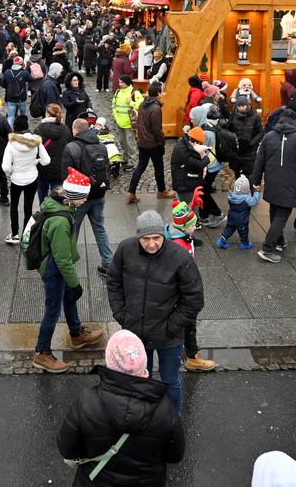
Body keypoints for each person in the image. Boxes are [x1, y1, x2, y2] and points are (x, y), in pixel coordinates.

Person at [56, 328, 185, 487]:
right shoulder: (165, 411)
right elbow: (174, 456)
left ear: (110, 361)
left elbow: (67, 448)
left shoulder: (86, 401)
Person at [106, 210, 204, 416]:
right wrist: (121, 314)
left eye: (156, 238)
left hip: (168, 336)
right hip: (136, 333)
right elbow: (113, 281)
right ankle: (147, 420)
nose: (151, 244)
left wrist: (171, 327)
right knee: (143, 381)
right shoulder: (126, 249)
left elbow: (194, 298)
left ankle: (172, 421)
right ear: (138, 237)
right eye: (145, 239)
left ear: (163, 235)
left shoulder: (180, 257)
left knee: (170, 381)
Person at [32, 168, 104, 372]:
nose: (86, 201)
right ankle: (41, 352)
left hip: (55, 266)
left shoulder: (60, 204)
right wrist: (76, 284)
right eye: (85, 197)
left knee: (68, 298)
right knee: (53, 311)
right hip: (53, 270)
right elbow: (62, 260)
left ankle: (76, 334)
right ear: (74, 197)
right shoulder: (61, 221)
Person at [251, 107, 296, 263]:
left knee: (275, 210)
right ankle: (267, 249)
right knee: (281, 215)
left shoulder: (269, 137)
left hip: (272, 182)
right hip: (290, 182)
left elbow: (259, 161)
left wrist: (255, 181)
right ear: (294, 122)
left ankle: (279, 241)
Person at [162, 202, 215, 373]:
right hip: (182, 293)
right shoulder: (179, 247)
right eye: (193, 225)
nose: (195, 227)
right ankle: (192, 358)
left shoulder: (181, 235)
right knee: (189, 324)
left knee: (185, 324)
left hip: (182, 289)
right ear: (184, 227)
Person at [64, 117, 113, 275]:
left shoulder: (71, 148)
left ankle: (68, 266)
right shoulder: (101, 145)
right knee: (100, 228)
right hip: (99, 194)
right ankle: (108, 263)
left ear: (75, 130)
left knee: (73, 230)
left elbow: (64, 175)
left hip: (79, 197)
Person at [3, 115, 50, 244]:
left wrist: (14, 169)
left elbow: (5, 167)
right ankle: (26, 235)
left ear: (15, 127)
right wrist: (35, 161)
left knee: (14, 206)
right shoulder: (36, 141)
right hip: (32, 178)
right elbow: (46, 161)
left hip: (16, 179)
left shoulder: (11, 143)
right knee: (28, 207)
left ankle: (14, 234)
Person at [129, 81, 174, 203]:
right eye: (162, 90)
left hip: (142, 142)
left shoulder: (143, 104)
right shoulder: (156, 108)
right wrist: (162, 141)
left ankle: (131, 192)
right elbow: (157, 129)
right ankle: (162, 191)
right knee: (158, 167)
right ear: (158, 93)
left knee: (140, 167)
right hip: (153, 144)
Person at [35, 103, 68, 202]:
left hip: (43, 168)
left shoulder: (39, 129)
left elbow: (34, 149)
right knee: (58, 196)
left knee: (42, 192)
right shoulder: (65, 130)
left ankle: (44, 212)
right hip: (59, 168)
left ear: (47, 114)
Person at [218, 175, 260, 249]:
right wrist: (256, 192)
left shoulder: (231, 195)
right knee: (244, 231)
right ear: (246, 189)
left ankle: (222, 240)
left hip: (231, 217)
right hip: (242, 220)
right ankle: (245, 244)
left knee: (229, 229)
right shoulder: (247, 199)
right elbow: (254, 201)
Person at [111, 74, 143, 170]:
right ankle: (125, 159)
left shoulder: (135, 93)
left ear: (127, 83)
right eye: (119, 82)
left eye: (122, 82)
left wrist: (131, 103)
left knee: (130, 143)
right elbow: (114, 105)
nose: (119, 84)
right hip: (119, 122)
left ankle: (132, 162)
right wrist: (115, 116)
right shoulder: (118, 92)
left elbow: (141, 106)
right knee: (122, 142)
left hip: (129, 124)